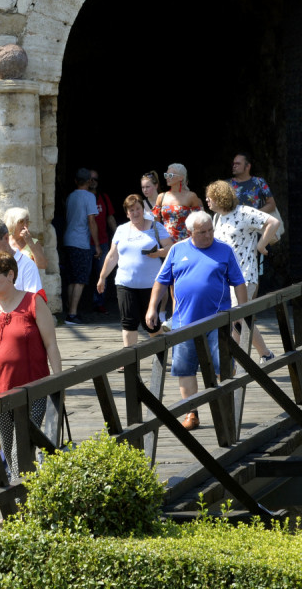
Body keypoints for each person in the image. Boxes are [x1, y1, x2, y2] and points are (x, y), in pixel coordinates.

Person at [147, 211, 247, 430]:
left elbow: (239, 282)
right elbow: (161, 281)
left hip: (218, 321)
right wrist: (152, 308)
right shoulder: (177, 250)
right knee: (185, 368)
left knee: (223, 368)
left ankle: (225, 412)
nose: (208, 235)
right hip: (184, 322)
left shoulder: (224, 250)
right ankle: (191, 413)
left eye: (211, 230)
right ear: (190, 232)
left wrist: (242, 311)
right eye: (202, 232)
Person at [0, 252, 61, 482]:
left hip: (33, 390)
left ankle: (20, 499)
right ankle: (27, 494)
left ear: (10, 275)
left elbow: (51, 344)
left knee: (22, 446)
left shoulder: (33, 302)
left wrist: (59, 381)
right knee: (9, 448)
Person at [204, 180, 280, 361]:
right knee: (241, 318)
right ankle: (265, 354)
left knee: (236, 318)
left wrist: (261, 245)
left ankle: (230, 361)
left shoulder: (244, 212)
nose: (206, 200)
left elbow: (273, 222)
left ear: (220, 197)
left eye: (210, 197)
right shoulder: (217, 218)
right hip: (225, 278)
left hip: (245, 275)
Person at [96, 195, 171, 347]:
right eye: (131, 210)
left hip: (150, 285)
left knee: (151, 324)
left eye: (138, 209)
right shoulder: (121, 230)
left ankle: (160, 355)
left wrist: (158, 253)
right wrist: (102, 277)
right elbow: (112, 256)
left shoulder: (156, 227)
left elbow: (171, 248)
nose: (135, 213)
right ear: (127, 213)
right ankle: (129, 358)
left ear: (143, 210)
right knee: (128, 323)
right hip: (125, 283)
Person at [62, 168, 100, 325]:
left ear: (75, 181)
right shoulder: (90, 197)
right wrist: (97, 244)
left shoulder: (70, 196)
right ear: (89, 181)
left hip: (68, 239)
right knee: (80, 279)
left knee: (72, 278)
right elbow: (91, 220)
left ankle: (70, 311)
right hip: (81, 242)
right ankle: (72, 313)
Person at [88, 170, 117, 314]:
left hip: (103, 241)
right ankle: (79, 305)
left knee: (102, 273)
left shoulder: (103, 198)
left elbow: (110, 217)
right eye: (90, 179)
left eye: (95, 179)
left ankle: (99, 303)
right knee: (84, 275)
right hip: (85, 242)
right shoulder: (83, 197)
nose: (93, 182)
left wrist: (118, 234)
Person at [153, 163, 203, 242]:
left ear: (181, 177)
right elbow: (156, 222)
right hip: (166, 241)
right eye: (166, 175)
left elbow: (199, 221)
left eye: (170, 175)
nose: (167, 178)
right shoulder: (161, 197)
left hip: (186, 240)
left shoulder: (191, 196)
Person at [4, 207, 47, 271]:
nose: (25, 225)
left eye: (27, 221)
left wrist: (30, 243)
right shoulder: (4, 241)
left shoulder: (34, 242)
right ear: (12, 223)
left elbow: (42, 265)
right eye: (21, 221)